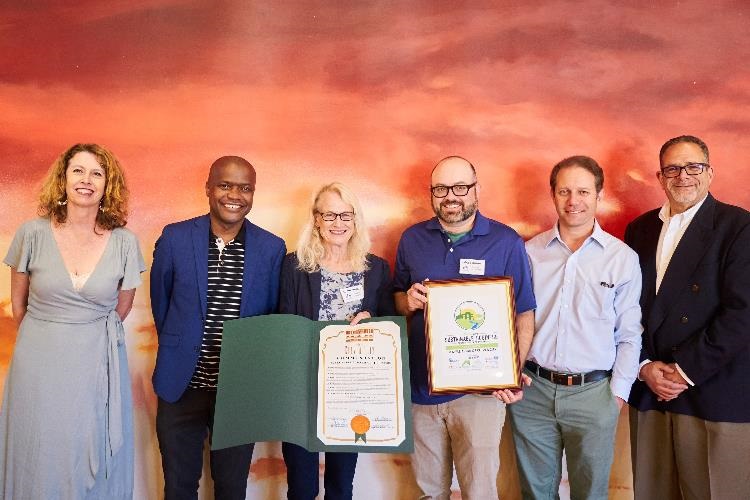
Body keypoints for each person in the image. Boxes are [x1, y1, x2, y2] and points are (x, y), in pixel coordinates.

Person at [0, 143, 145, 499]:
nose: (86, 180)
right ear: (62, 179)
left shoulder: (126, 242)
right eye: (78, 170)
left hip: (96, 362)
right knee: (40, 448)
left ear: (107, 185)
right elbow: (19, 306)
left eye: (97, 173)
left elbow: (121, 308)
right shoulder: (31, 233)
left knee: (88, 445)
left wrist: (82, 330)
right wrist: (52, 333)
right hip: (38, 364)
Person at [393, 155, 536, 499]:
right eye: (441, 188)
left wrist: (511, 373)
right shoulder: (412, 239)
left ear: (476, 189)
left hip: (480, 396)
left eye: (460, 187)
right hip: (421, 392)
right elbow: (397, 298)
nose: (450, 196)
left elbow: (524, 315)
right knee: (430, 492)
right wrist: (407, 301)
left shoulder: (506, 241)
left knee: (480, 491)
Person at [150, 156, 286, 500]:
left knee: (231, 488)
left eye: (245, 188)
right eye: (225, 185)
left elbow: (270, 315)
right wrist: (184, 348)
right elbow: (161, 306)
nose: (234, 195)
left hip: (238, 391)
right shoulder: (175, 238)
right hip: (181, 387)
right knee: (179, 487)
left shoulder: (272, 248)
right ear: (209, 188)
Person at [508, 155, 642, 499]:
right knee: (535, 492)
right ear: (553, 195)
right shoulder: (529, 253)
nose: (573, 201)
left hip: (594, 394)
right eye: (564, 191)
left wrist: (617, 395)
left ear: (599, 195)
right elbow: (511, 320)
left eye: (583, 191)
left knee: (591, 492)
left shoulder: (622, 257)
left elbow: (629, 334)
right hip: (533, 392)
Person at [625, 135, 750, 499]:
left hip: (713, 388)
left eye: (693, 166)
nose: (683, 176)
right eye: (673, 168)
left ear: (710, 173)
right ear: (660, 177)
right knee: (653, 492)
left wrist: (683, 370)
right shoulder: (640, 229)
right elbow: (628, 307)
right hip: (650, 388)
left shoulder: (739, 227)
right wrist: (645, 364)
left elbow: (743, 313)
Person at [279, 182, 395, 499]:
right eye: (329, 214)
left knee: (341, 486)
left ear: (356, 220)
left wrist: (372, 319)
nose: (338, 223)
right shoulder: (294, 266)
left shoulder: (376, 270)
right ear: (316, 219)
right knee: (301, 488)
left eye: (346, 214)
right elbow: (284, 322)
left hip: (351, 391)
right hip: (301, 392)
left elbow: (390, 324)